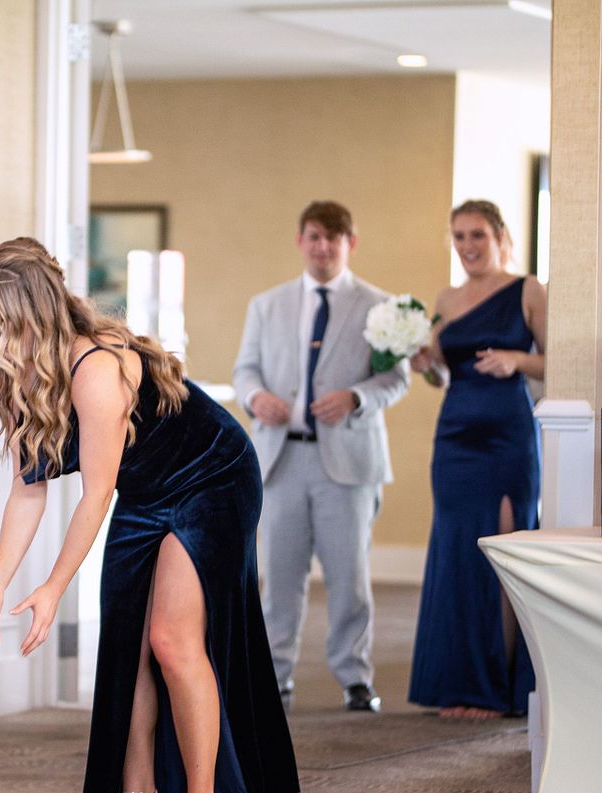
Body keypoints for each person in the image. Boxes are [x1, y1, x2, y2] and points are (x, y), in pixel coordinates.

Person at [0, 238, 298, 793]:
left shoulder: (95, 369)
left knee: (170, 639)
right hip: (147, 490)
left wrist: (53, 587)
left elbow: (96, 492)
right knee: (127, 649)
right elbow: (29, 492)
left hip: (210, 477)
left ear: (34, 311)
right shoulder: (29, 374)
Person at [233, 201, 409, 713]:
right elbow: (245, 370)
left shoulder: (381, 306)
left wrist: (356, 398)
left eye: (334, 238)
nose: (323, 246)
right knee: (279, 576)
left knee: (349, 575)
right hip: (281, 459)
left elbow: (396, 378)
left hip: (348, 461)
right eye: (314, 236)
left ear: (350, 243)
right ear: (300, 240)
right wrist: (254, 399)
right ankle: (275, 676)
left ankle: (355, 677)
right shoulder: (268, 305)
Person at [408, 200, 546, 719]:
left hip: (508, 434)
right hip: (455, 437)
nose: (467, 246)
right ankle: (462, 683)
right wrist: (426, 364)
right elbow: (444, 373)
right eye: (459, 236)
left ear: (500, 236)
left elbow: (561, 362)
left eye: (478, 236)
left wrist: (518, 359)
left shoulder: (528, 289)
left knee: (503, 554)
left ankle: (498, 687)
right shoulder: (448, 296)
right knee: (459, 554)